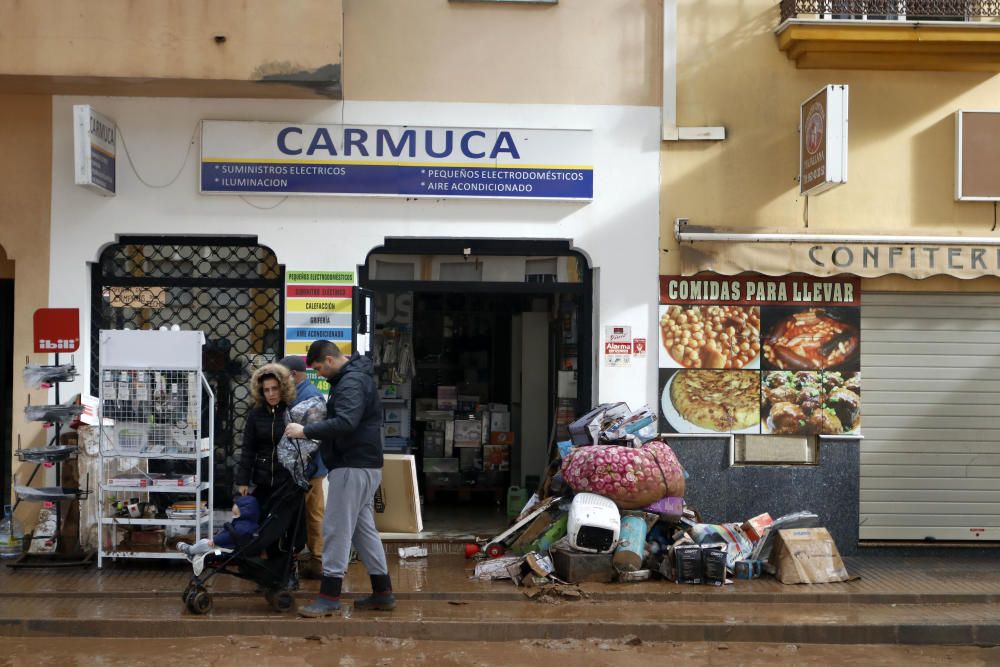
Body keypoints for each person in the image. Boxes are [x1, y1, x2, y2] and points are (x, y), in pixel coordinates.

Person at [287, 339, 393, 617]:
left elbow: (346, 422)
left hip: (352, 465)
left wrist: (305, 431)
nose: (319, 374)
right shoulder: (356, 378)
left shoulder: (350, 383)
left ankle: (329, 596)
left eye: (320, 368)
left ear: (330, 360)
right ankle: (383, 592)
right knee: (363, 531)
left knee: (336, 528)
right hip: (364, 465)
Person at [279, 354, 327, 580]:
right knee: (311, 514)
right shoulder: (297, 394)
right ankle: (313, 558)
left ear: (294, 375)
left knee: (312, 514)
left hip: (309, 469)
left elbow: (313, 440)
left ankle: (317, 560)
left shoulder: (311, 397)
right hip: (303, 468)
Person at [176, 494, 260, 557]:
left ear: (245, 512)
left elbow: (231, 536)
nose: (233, 514)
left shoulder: (244, 526)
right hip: (227, 545)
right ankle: (195, 553)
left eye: (236, 513)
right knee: (207, 546)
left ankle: (190, 550)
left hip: (227, 548)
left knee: (205, 543)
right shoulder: (244, 523)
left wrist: (216, 540)